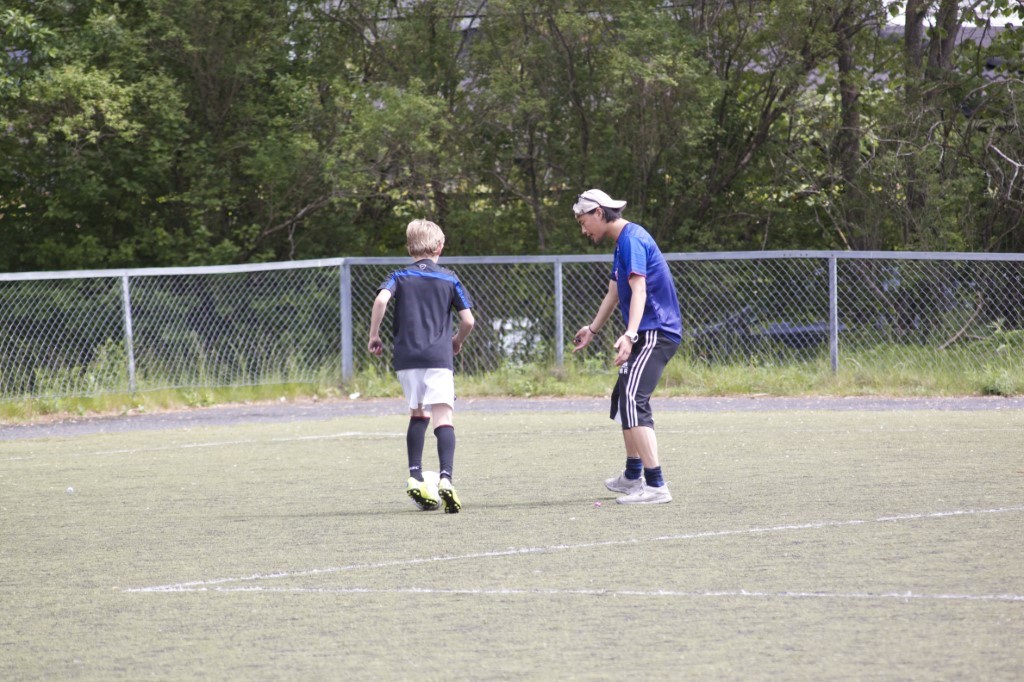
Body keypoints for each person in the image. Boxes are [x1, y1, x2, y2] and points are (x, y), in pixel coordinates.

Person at [571, 189, 683, 505]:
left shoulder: (632, 239)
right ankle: (633, 475)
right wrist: (592, 330)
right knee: (623, 396)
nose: (583, 230)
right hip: (645, 332)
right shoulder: (622, 243)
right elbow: (614, 294)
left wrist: (631, 334)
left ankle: (656, 485)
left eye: (583, 222)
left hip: (656, 332)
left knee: (634, 397)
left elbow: (639, 290)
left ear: (599, 213)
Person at [368, 219, 475, 513]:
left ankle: (415, 475)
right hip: (438, 357)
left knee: (418, 414)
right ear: (439, 246)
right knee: (444, 417)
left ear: (409, 247)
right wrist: (456, 340)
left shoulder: (399, 276)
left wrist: (374, 334)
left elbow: (380, 300)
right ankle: (446, 479)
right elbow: (468, 321)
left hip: (407, 358)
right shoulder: (449, 278)